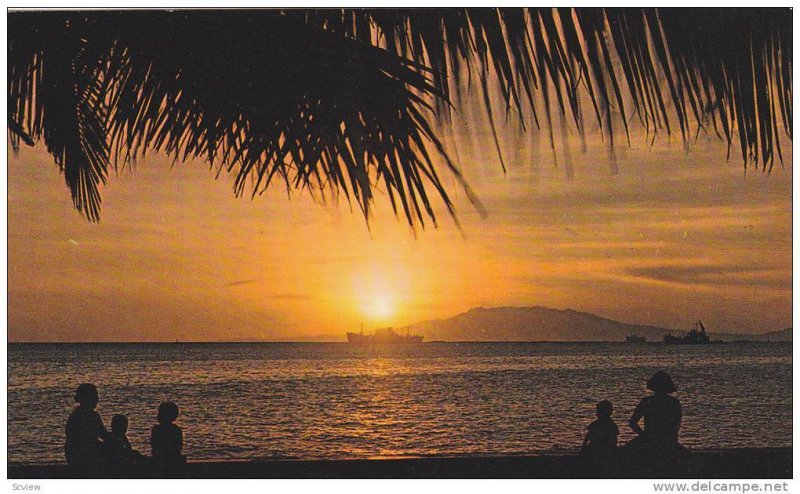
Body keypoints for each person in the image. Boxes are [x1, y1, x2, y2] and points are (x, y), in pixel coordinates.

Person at [624, 371, 690, 476]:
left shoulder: (647, 402)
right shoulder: (674, 403)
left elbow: (632, 423)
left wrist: (644, 436)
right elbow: (675, 426)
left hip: (649, 440)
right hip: (667, 440)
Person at [65, 383, 108, 476]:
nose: (97, 399)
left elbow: (104, 435)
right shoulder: (78, 417)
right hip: (80, 455)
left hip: (86, 452)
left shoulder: (93, 416)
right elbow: (79, 441)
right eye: (95, 396)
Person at [581, 400, 619, 476]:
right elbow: (587, 438)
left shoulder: (608, 426)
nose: (597, 413)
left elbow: (587, 438)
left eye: (598, 411)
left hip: (599, 451)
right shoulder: (610, 425)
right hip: (595, 450)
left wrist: (583, 449)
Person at [150, 402, 186, 476]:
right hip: (173, 461)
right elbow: (179, 446)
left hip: (161, 461)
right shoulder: (177, 430)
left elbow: (154, 445)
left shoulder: (157, 429)